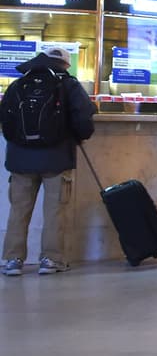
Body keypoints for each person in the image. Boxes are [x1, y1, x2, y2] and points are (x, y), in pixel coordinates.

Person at [1, 47, 95, 276]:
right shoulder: (69, 84)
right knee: (55, 211)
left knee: (19, 210)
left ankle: (12, 260)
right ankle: (51, 260)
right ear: (65, 64)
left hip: (20, 160)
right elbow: (84, 118)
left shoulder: (18, 84)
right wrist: (80, 135)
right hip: (57, 158)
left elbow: (5, 119)